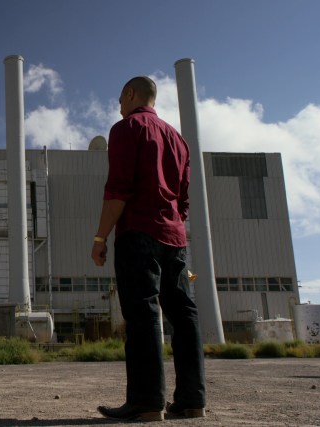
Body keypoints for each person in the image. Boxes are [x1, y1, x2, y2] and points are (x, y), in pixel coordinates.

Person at [91, 77, 206, 421]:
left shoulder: (127, 128)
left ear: (130, 94)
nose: (119, 107)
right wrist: (171, 222)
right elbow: (183, 199)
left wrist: (100, 238)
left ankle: (147, 402)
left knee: (142, 313)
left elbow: (119, 188)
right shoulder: (178, 138)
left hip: (138, 231)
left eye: (120, 99)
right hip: (174, 236)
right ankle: (192, 400)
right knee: (184, 314)